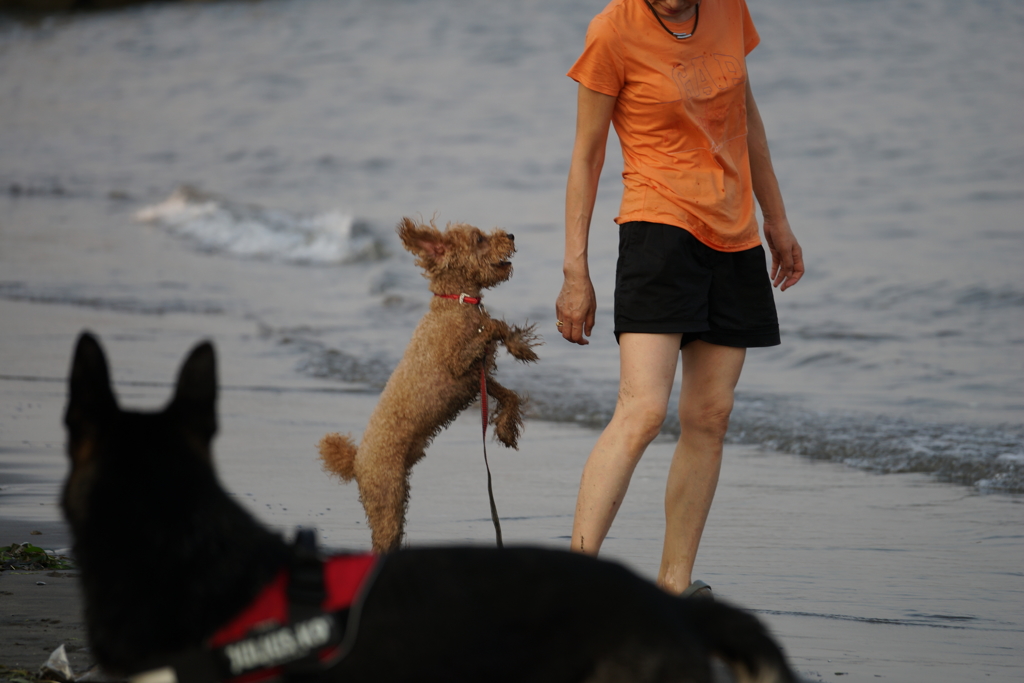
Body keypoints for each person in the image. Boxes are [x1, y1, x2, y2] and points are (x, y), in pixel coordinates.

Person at [555, 0, 804, 598]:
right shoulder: (613, 30)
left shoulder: (728, 9)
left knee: (710, 416)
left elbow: (747, 118)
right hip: (657, 230)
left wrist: (777, 218)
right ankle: (574, 588)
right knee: (641, 412)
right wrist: (575, 270)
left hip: (735, 233)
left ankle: (674, 587)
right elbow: (587, 156)